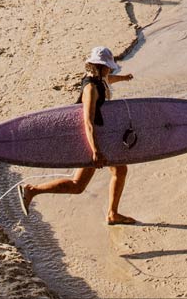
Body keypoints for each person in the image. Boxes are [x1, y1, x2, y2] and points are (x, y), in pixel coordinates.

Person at [20, 47, 137, 225]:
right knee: (77, 186)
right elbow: (88, 121)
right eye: (106, 67)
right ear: (97, 66)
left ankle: (113, 213)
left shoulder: (100, 78)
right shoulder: (90, 88)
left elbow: (108, 81)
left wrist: (124, 78)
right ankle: (32, 190)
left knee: (120, 170)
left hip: (103, 135)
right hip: (91, 138)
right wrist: (95, 150)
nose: (109, 69)